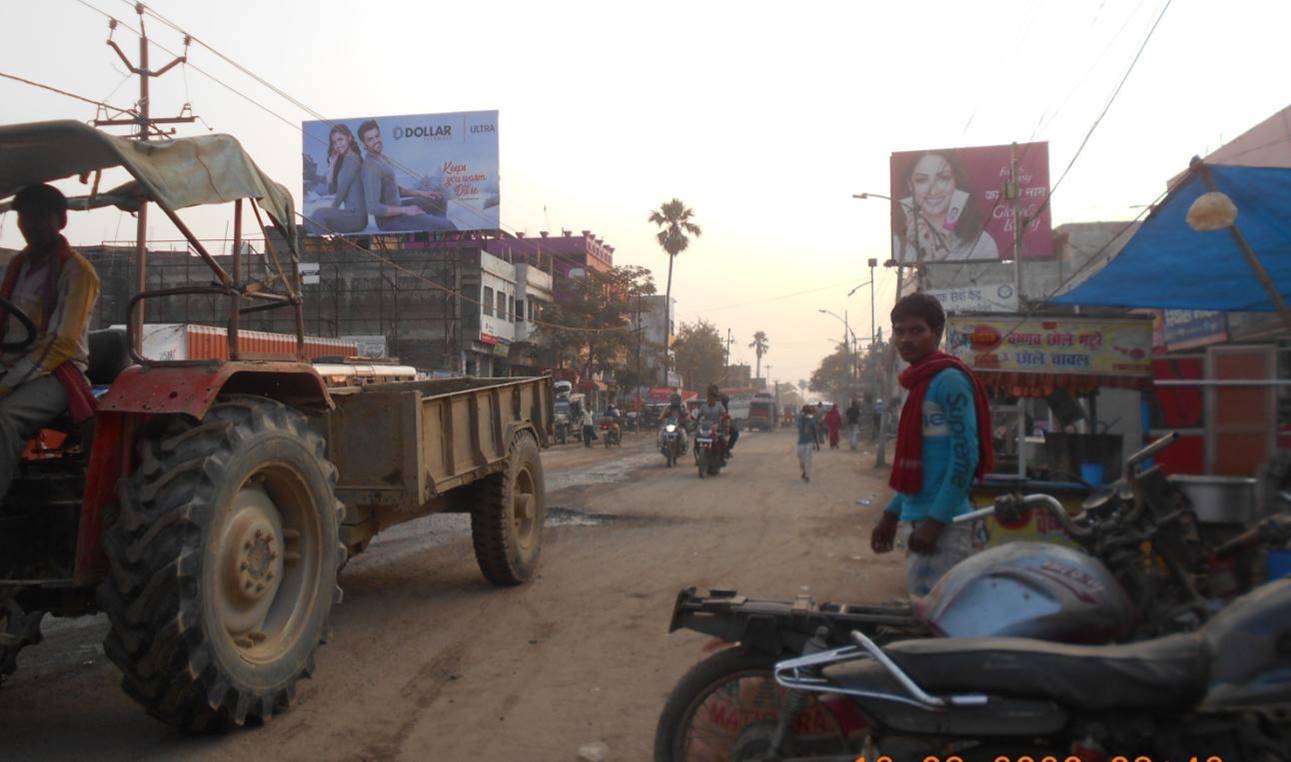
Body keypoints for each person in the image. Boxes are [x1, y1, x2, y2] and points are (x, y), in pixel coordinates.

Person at [870, 293, 994, 596]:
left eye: (916, 330)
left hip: (944, 527)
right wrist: (891, 513)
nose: (906, 339)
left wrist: (936, 522)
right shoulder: (919, 382)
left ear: (936, 334)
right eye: (899, 331)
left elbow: (964, 457)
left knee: (936, 623)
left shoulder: (947, 380)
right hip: (918, 518)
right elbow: (923, 463)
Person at [0, 184, 100, 498]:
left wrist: (8, 383)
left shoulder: (77, 273)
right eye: (24, 217)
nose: (29, 225)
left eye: (39, 216)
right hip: (12, 364)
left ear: (60, 221)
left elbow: (62, 343)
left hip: (56, 372)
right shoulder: (18, 267)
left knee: (4, 418)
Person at [892, 152, 999, 264]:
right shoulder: (899, 244)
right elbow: (906, 281)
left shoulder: (982, 242)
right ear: (910, 185)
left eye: (943, 178)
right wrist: (927, 258)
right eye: (921, 180)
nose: (933, 191)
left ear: (955, 182)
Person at [357, 120, 458, 233]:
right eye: (370, 139)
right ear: (364, 144)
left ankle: (434, 228)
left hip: (398, 207)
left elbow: (393, 189)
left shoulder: (382, 159)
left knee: (439, 199)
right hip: (389, 221)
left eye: (377, 136)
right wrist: (406, 210)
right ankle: (438, 227)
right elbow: (373, 207)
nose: (376, 141)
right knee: (448, 225)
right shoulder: (371, 167)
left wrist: (422, 193)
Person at [304, 124, 368, 235]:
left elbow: (341, 193)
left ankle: (327, 244)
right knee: (308, 219)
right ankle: (323, 239)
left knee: (319, 214)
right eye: (334, 142)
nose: (337, 145)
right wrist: (332, 165)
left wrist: (331, 211)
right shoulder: (344, 161)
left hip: (356, 218)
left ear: (350, 138)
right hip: (349, 214)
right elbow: (331, 190)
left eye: (340, 139)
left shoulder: (353, 160)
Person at [796, 405, 818, 482]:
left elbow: (815, 431)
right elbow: (799, 427)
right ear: (803, 412)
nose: (807, 413)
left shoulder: (812, 419)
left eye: (808, 412)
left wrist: (816, 444)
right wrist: (804, 419)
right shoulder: (800, 419)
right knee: (801, 460)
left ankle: (808, 476)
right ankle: (804, 471)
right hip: (801, 442)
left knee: (808, 459)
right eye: (805, 412)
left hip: (809, 441)